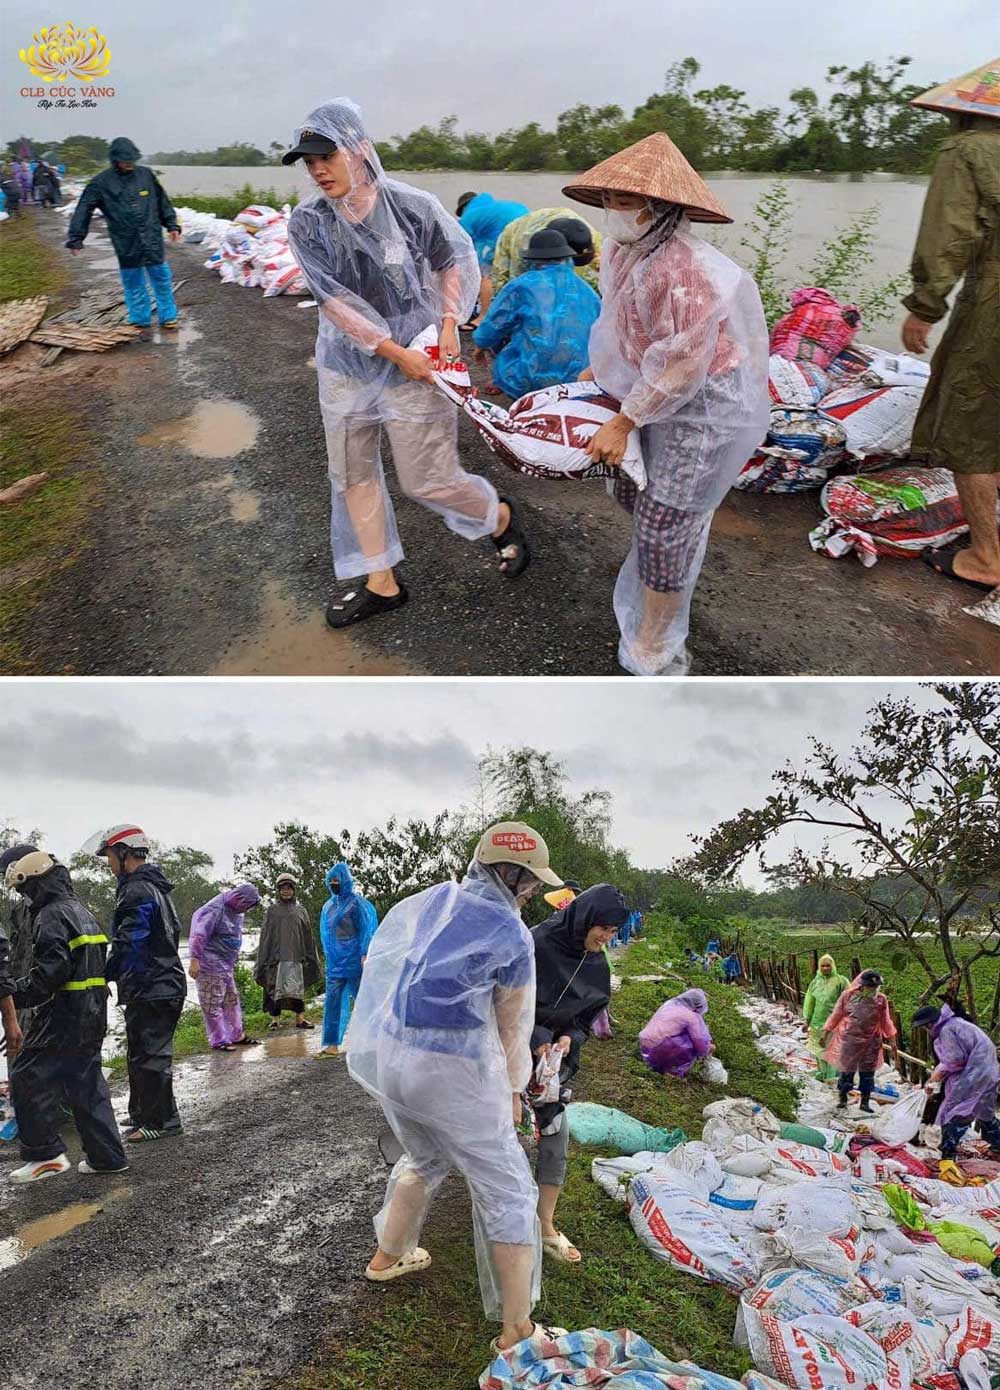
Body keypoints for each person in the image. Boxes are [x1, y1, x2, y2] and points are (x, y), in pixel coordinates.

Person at [284, 100, 532, 635]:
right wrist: (395, 353)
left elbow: (454, 262)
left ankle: (498, 515)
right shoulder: (308, 222)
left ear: (359, 149)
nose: (318, 169)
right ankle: (381, 582)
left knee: (428, 479)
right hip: (349, 365)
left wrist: (448, 323)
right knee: (352, 474)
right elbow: (332, 301)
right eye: (309, 162)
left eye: (326, 155)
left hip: (421, 356)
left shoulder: (411, 206)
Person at [347, 820, 566, 1356]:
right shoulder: (510, 933)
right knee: (510, 1189)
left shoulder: (431, 903)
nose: (534, 890)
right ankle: (518, 1330)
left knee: (424, 1159)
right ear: (509, 874)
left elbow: (386, 969)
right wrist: (515, 1088)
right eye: (530, 880)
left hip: (397, 1060)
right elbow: (513, 1025)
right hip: (453, 1071)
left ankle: (388, 1256)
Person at [562, 133, 769, 676]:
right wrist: (598, 373)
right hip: (651, 390)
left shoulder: (684, 271)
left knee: (663, 519)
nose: (613, 212)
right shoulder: (623, 251)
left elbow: (682, 363)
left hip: (704, 403)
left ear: (660, 208)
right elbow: (621, 325)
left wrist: (625, 418)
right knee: (635, 491)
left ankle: (656, 638)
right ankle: (673, 552)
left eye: (624, 201)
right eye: (608, 199)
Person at [902, 63, 1000, 593]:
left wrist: (925, 306)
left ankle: (987, 556)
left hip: (995, 300)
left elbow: (948, 239)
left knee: (971, 422)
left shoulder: (967, 152)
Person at [1, 847, 127, 1182]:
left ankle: (45, 1156)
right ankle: (107, 1157)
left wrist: (13, 992)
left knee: (27, 1075)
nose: (26, 899)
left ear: (39, 883)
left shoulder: (51, 915)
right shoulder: (81, 910)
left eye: (26, 891)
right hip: (93, 1013)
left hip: (63, 1014)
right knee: (85, 1083)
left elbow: (50, 974)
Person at [529, 883, 626, 1265]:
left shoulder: (597, 964)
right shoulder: (535, 945)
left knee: (556, 1136)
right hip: (507, 1057)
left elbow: (586, 1018)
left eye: (614, 932)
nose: (606, 938)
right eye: (603, 927)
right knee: (504, 1143)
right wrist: (536, 1036)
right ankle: (501, 1222)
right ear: (584, 918)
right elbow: (502, 1000)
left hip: (551, 1065)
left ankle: (544, 1225)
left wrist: (570, 1037)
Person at [83, 824, 187, 1142]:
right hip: (154, 984)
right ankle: (144, 1113)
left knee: (151, 1055)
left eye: (110, 857)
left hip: (154, 985)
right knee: (140, 1052)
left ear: (124, 853)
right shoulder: (152, 887)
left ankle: (162, 1121)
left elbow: (130, 941)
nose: (108, 864)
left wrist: (101, 974)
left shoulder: (137, 890)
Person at [66, 137, 182, 330]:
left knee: (161, 279)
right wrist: (76, 237)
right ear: (114, 160)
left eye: (131, 160)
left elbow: (162, 201)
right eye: (124, 161)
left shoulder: (145, 175)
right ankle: (140, 319)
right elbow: (83, 209)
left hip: (151, 237)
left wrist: (172, 225)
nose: (129, 164)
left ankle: (168, 316)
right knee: (133, 282)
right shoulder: (100, 183)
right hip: (126, 240)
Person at [472, 229, 601, 400]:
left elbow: (494, 324)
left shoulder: (522, 284)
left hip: (530, 379)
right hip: (580, 379)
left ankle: (519, 402)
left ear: (534, 259)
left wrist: (480, 344)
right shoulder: (588, 290)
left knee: (510, 345)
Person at [913, 1003, 1000, 1165]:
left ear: (930, 1024)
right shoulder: (958, 1024)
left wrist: (937, 1076)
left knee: (955, 1112)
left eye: (925, 1028)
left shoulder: (947, 1031)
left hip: (974, 1074)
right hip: (989, 1071)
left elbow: (954, 1059)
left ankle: (948, 1155)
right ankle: (998, 1146)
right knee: (985, 1112)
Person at [316, 861, 379, 1058]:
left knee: (364, 1000)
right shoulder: (328, 906)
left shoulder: (356, 903)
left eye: (337, 880)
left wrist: (364, 952)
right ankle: (332, 1045)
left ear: (346, 881)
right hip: (335, 962)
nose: (334, 883)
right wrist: (328, 956)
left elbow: (366, 930)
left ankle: (374, 1041)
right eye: (331, 880)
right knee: (333, 1002)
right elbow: (325, 934)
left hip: (354, 959)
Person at [188, 883, 261, 1051]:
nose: (246, 909)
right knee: (212, 1002)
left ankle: (236, 1035)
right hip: (209, 964)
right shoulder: (214, 909)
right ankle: (219, 1039)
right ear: (238, 898)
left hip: (225, 965)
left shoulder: (235, 911)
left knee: (231, 1000)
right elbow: (199, 934)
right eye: (246, 905)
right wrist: (194, 959)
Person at [820, 970, 898, 1113]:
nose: (873, 990)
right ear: (862, 986)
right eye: (870, 987)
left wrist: (892, 1040)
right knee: (847, 1071)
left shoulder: (881, 1000)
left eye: (875, 987)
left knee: (867, 1073)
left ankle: (865, 1102)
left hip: (871, 1042)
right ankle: (842, 1098)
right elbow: (836, 1015)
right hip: (849, 1040)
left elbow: (885, 1020)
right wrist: (825, 1034)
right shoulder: (848, 996)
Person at [255, 873, 320, 1029]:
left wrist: (310, 956)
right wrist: (264, 956)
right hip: (276, 957)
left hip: (296, 956)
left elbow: (307, 934)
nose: (286, 892)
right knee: (273, 987)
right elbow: (266, 935)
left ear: (293, 890)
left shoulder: (301, 910)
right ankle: (275, 1020)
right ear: (278, 890)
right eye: (283, 889)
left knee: (297, 988)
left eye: (289, 888)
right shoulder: (272, 910)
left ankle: (300, 1018)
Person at [458, 191, 530, 321]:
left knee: (488, 275)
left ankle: (482, 317)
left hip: (509, 234)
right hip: (530, 229)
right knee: (519, 273)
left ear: (464, 207)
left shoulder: (468, 216)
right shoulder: (495, 208)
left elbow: (460, 249)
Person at [492, 209, 602, 295]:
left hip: (563, 229)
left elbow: (600, 264)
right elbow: (519, 279)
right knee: (506, 285)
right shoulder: (526, 244)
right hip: (517, 234)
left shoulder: (587, 235)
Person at [639, 987, 713, 1077]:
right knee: (690, 1042)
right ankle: (672, 1071)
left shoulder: (669, 1005)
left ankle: (653, 1065)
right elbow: (700, 1045)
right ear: (697, 1006)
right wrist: (709, 1048)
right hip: (659, 1048)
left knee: (681, 1034)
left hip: (645, 1044)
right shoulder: (691, 1017)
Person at [802, 954, 849, 1081]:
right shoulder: (815, 982)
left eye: (828, 965)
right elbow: (809, 1002)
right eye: (823, 966)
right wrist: (807, 1021)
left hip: (834, 1023)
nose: (825, 968)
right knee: (819, 1050)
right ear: (819, 967)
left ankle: (831, 1077)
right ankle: (822, 1073)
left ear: (833, 966)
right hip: (817, 1022)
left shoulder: (841, 981)